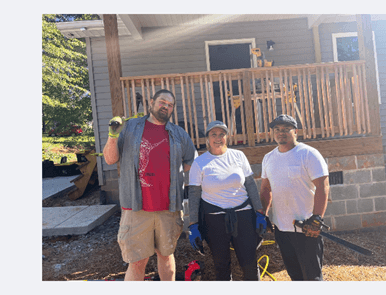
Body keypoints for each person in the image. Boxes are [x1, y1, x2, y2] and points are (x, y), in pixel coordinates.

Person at [103, 89, 197, 281]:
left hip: (169, 209)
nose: (166, 107)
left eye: (170, 105)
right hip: (136, 208)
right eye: (162, 102)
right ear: (151, 102)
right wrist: (113, 135)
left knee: (166, 256)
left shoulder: (178, 133)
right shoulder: (129, 128)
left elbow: (190, 162)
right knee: (137, 262)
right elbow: (110, 159)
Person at [187, 121, 267, 281]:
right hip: (214, 219)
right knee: (221, 265)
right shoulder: (199, 163)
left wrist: (260, 213)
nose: (218, 138)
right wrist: (193, 224)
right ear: (207, 138)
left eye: (221, 134)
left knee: (249, 262)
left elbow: (250, 184)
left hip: (243, 217)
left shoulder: (238, 156)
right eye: (213, 134)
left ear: (227, 137)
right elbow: (194, 194)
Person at [259, 114, 330, 281]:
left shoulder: (308, 154)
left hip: (307, 228)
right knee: (295, 275)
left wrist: (317, 218)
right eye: (277, 129)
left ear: (295, 131)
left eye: (286, 129)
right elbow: (265, 189)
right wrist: (263, 214)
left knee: (312, 278)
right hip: (282, 229)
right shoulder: (268, 158)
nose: (281, 132)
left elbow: (322, 186)